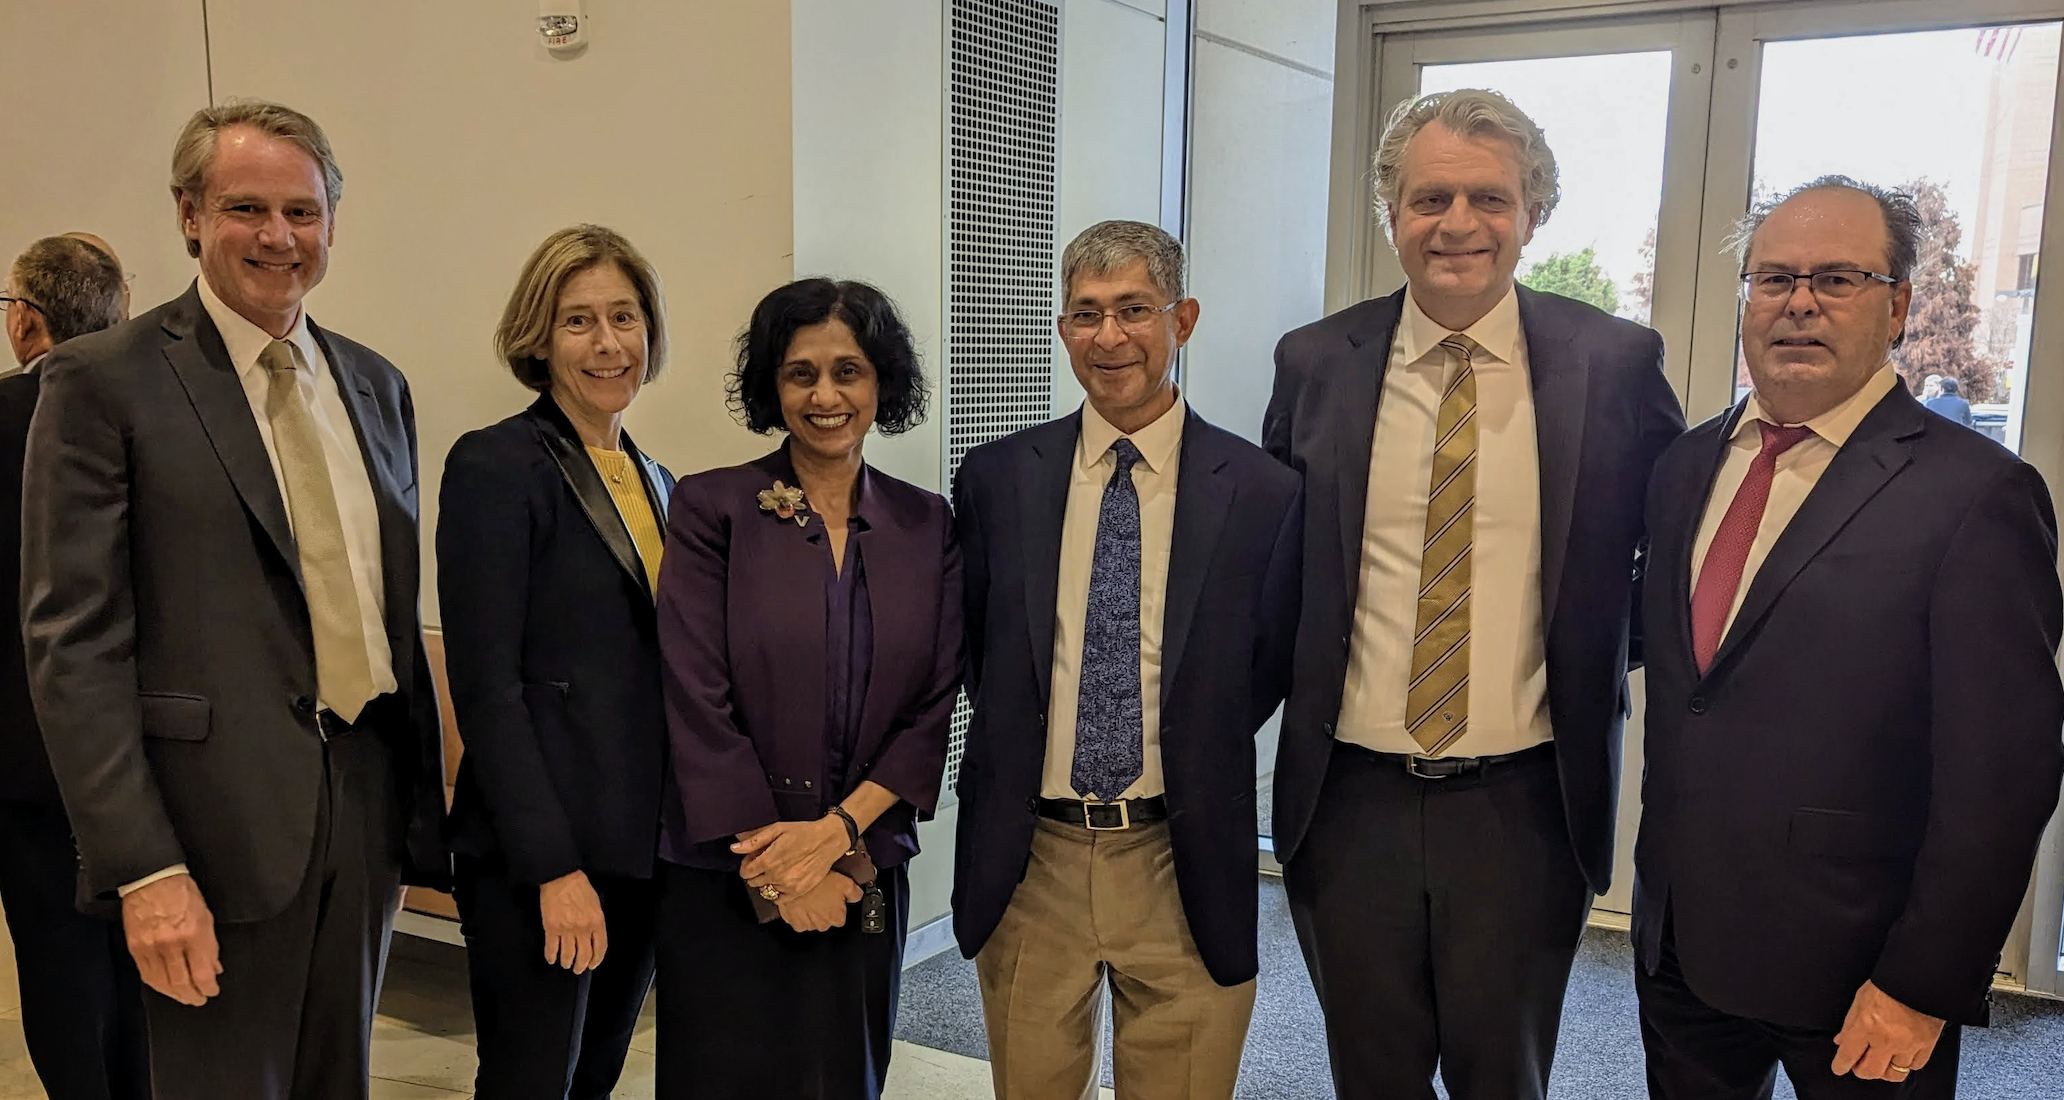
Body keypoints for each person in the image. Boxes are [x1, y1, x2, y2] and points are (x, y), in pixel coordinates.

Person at [18, 99, 449, 1100]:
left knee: (337, 1078)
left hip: (364, 801)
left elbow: (381, 607)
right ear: (189, 215)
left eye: (302, 211)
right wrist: (142, 867)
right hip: (206, 825)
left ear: (332, 222)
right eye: (245, 208)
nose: (277, 236)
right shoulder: (102, 383)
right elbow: (73, 642)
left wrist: (406, 819)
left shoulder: (376, 385)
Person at [1264, 88, 1686, 1100]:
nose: (1458, 223)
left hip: (1526, 806)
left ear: (1533, 211)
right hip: (1348, 799)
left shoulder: (1614, 364)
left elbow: (1674, 552)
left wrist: (1596, 650)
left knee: (1504, 1075)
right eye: (1430, 198)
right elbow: (1276, 563)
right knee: (1372, 1076)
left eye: (1490, 198)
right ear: (1392, 214)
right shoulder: (1314, 361)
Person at [1634, 175, 2064, 1099]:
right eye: (1774, 278)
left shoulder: (1977, 495)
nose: (1799, 303)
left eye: (1837, 278)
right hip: (1680, 946)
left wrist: (1923, 982)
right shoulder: (1683, 465)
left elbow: (2003, 774)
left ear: (1897, 305)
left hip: (1861, 968)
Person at [953, 219, 1302, 1100]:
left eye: (1135, 310)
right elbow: (981, 653)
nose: (1109, 336)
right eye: (1087, 313)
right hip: (1033, 857)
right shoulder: (996, 479)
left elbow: (1266, 665)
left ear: (1183, 319)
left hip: (1180, 857)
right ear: (1062, 328)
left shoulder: (1263, 492)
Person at [652, 277, 960, 1099]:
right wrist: (782, 869)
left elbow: (933, 705)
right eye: (801, 374)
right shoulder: (712, 506)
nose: (826, 396)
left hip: (862, 866)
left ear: (883, 381)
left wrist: (838, 838)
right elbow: (695, 693)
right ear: (772, 385)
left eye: (848, 371)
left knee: (843, 1078)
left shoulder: (927, 523)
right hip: (726, 866)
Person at [437, 225, 674, 1100]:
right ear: (538, 338)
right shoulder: (497, 465)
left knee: (595, 1078)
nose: (607, 343)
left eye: (624, 316)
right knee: (530, 1081)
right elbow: (488, 690)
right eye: (579, 321)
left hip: (640, 849)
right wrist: (553, 869)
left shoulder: (657, 480)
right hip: (538, 854)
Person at [0, 234, 148, 1100]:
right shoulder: (160, 412)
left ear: (24, 321)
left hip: (24, 754)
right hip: (151, 735)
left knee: (59, 961)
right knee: (152, 951)